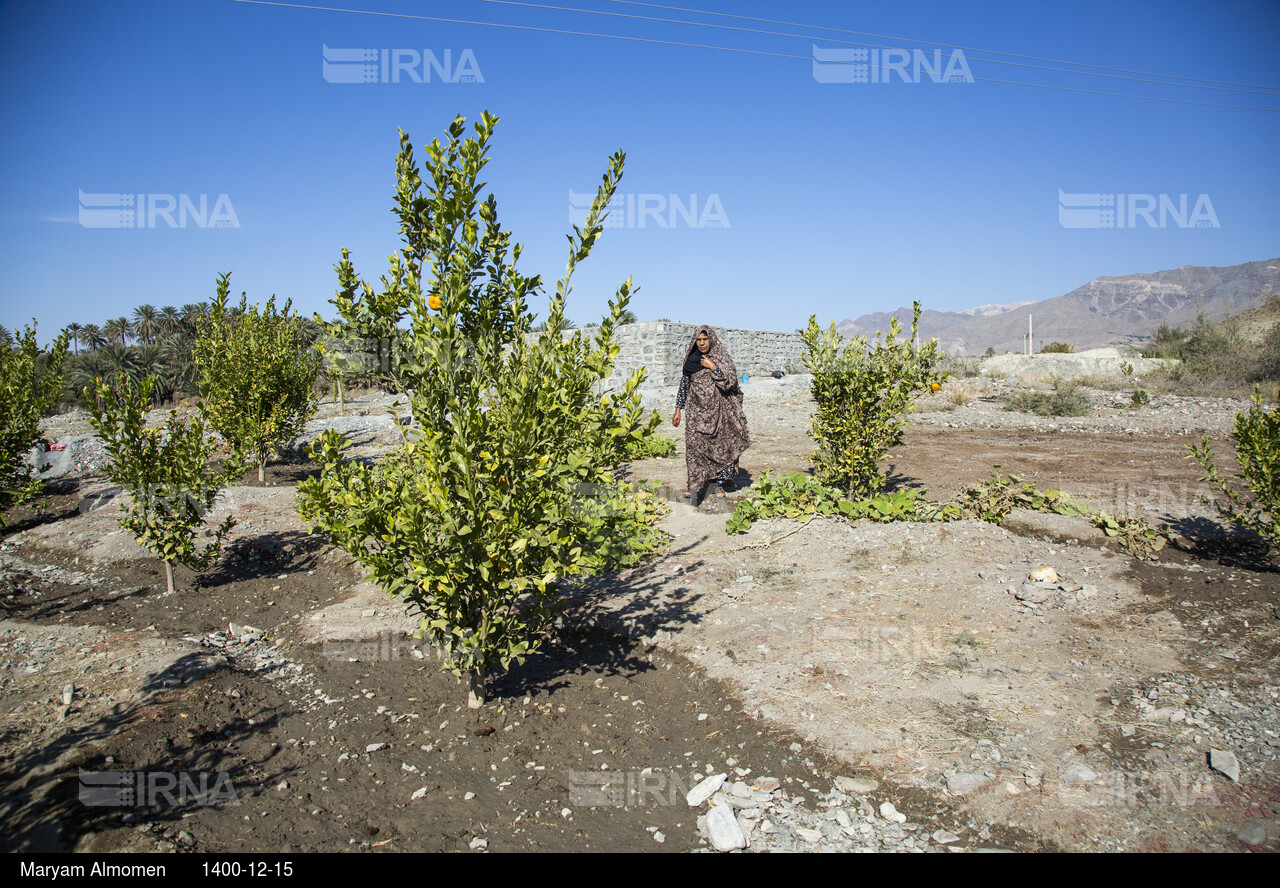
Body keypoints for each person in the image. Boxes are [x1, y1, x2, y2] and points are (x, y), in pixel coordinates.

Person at [672, 326, 750, 504]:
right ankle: (695, 485)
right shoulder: (691, 360)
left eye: (705, 340)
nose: (702, 343)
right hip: (696, 411)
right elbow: (684, 385)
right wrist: (678, 409)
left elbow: (729, 384)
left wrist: (713, 367)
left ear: (711, 340)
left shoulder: (721, 358)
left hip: (719, 412)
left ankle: (717, 484)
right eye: (698, 340)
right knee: (694, 447)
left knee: (719, 446)